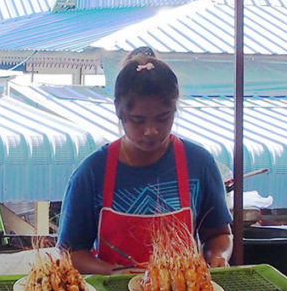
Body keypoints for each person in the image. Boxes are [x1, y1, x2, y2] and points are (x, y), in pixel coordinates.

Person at [58, 48, 233, 275]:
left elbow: (219, 234)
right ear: (118, 112)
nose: (151, 131)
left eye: (163, 118)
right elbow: (70, 253)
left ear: (174, 110)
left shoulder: (199, 164)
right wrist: (114, 273)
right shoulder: (91, 173)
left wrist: (218, 257)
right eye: (138, 120)